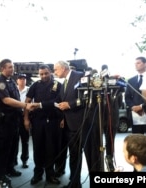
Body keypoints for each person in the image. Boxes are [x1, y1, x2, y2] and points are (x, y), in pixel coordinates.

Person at [0, 58, 36, 187]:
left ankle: (9, 168)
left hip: (14, 121)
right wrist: (25, 105)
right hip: (4, 122)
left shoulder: (11, 82)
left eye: (12, 67)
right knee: (3, 149)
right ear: (2, 69)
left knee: (12, 147)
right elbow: (6, 100)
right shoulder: (0, 83)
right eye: (9, 67)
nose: (12, 69)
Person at [24, 65, 62, 185]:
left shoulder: (58, 85)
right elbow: (27, 102)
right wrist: (26, 119)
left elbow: (58, 102)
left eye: (45, 73)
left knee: (51, 149)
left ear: (50, 72)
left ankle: (50, 175)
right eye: (41, 74)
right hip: (38, 121)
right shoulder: (35, 85)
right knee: (38, 148)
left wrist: (62, 119)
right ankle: (38, 174)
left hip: (53, 121)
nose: (43, 76)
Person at [53, 60, 85, 188]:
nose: (54, 72)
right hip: (68, 123)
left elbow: (86, 98)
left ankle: (75, 183)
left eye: (56, 69)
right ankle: (74, 182)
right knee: (73, 155)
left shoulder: (80, 76)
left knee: (76, 155)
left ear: (64, 68)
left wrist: (69, 104)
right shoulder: (64, 82)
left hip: (79, 123)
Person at [125, 56, 146, 135]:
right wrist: (133, 107)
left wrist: (142, 106)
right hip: (135, 114)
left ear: (145, 64)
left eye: (138, 63)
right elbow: (127, 98)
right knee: (137, 140)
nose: (136, 65)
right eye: (135, 63)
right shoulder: (131, 81)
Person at [15, 73, 30, 168]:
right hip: (15, 116)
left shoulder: (29, 90)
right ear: (17, 80)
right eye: (20, 79)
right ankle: (14, 160)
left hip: (25, 115)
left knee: (25, 140)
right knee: (14, 140)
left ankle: (25, 160)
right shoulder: (13, 89)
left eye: (24, 79)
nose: (22, 80)